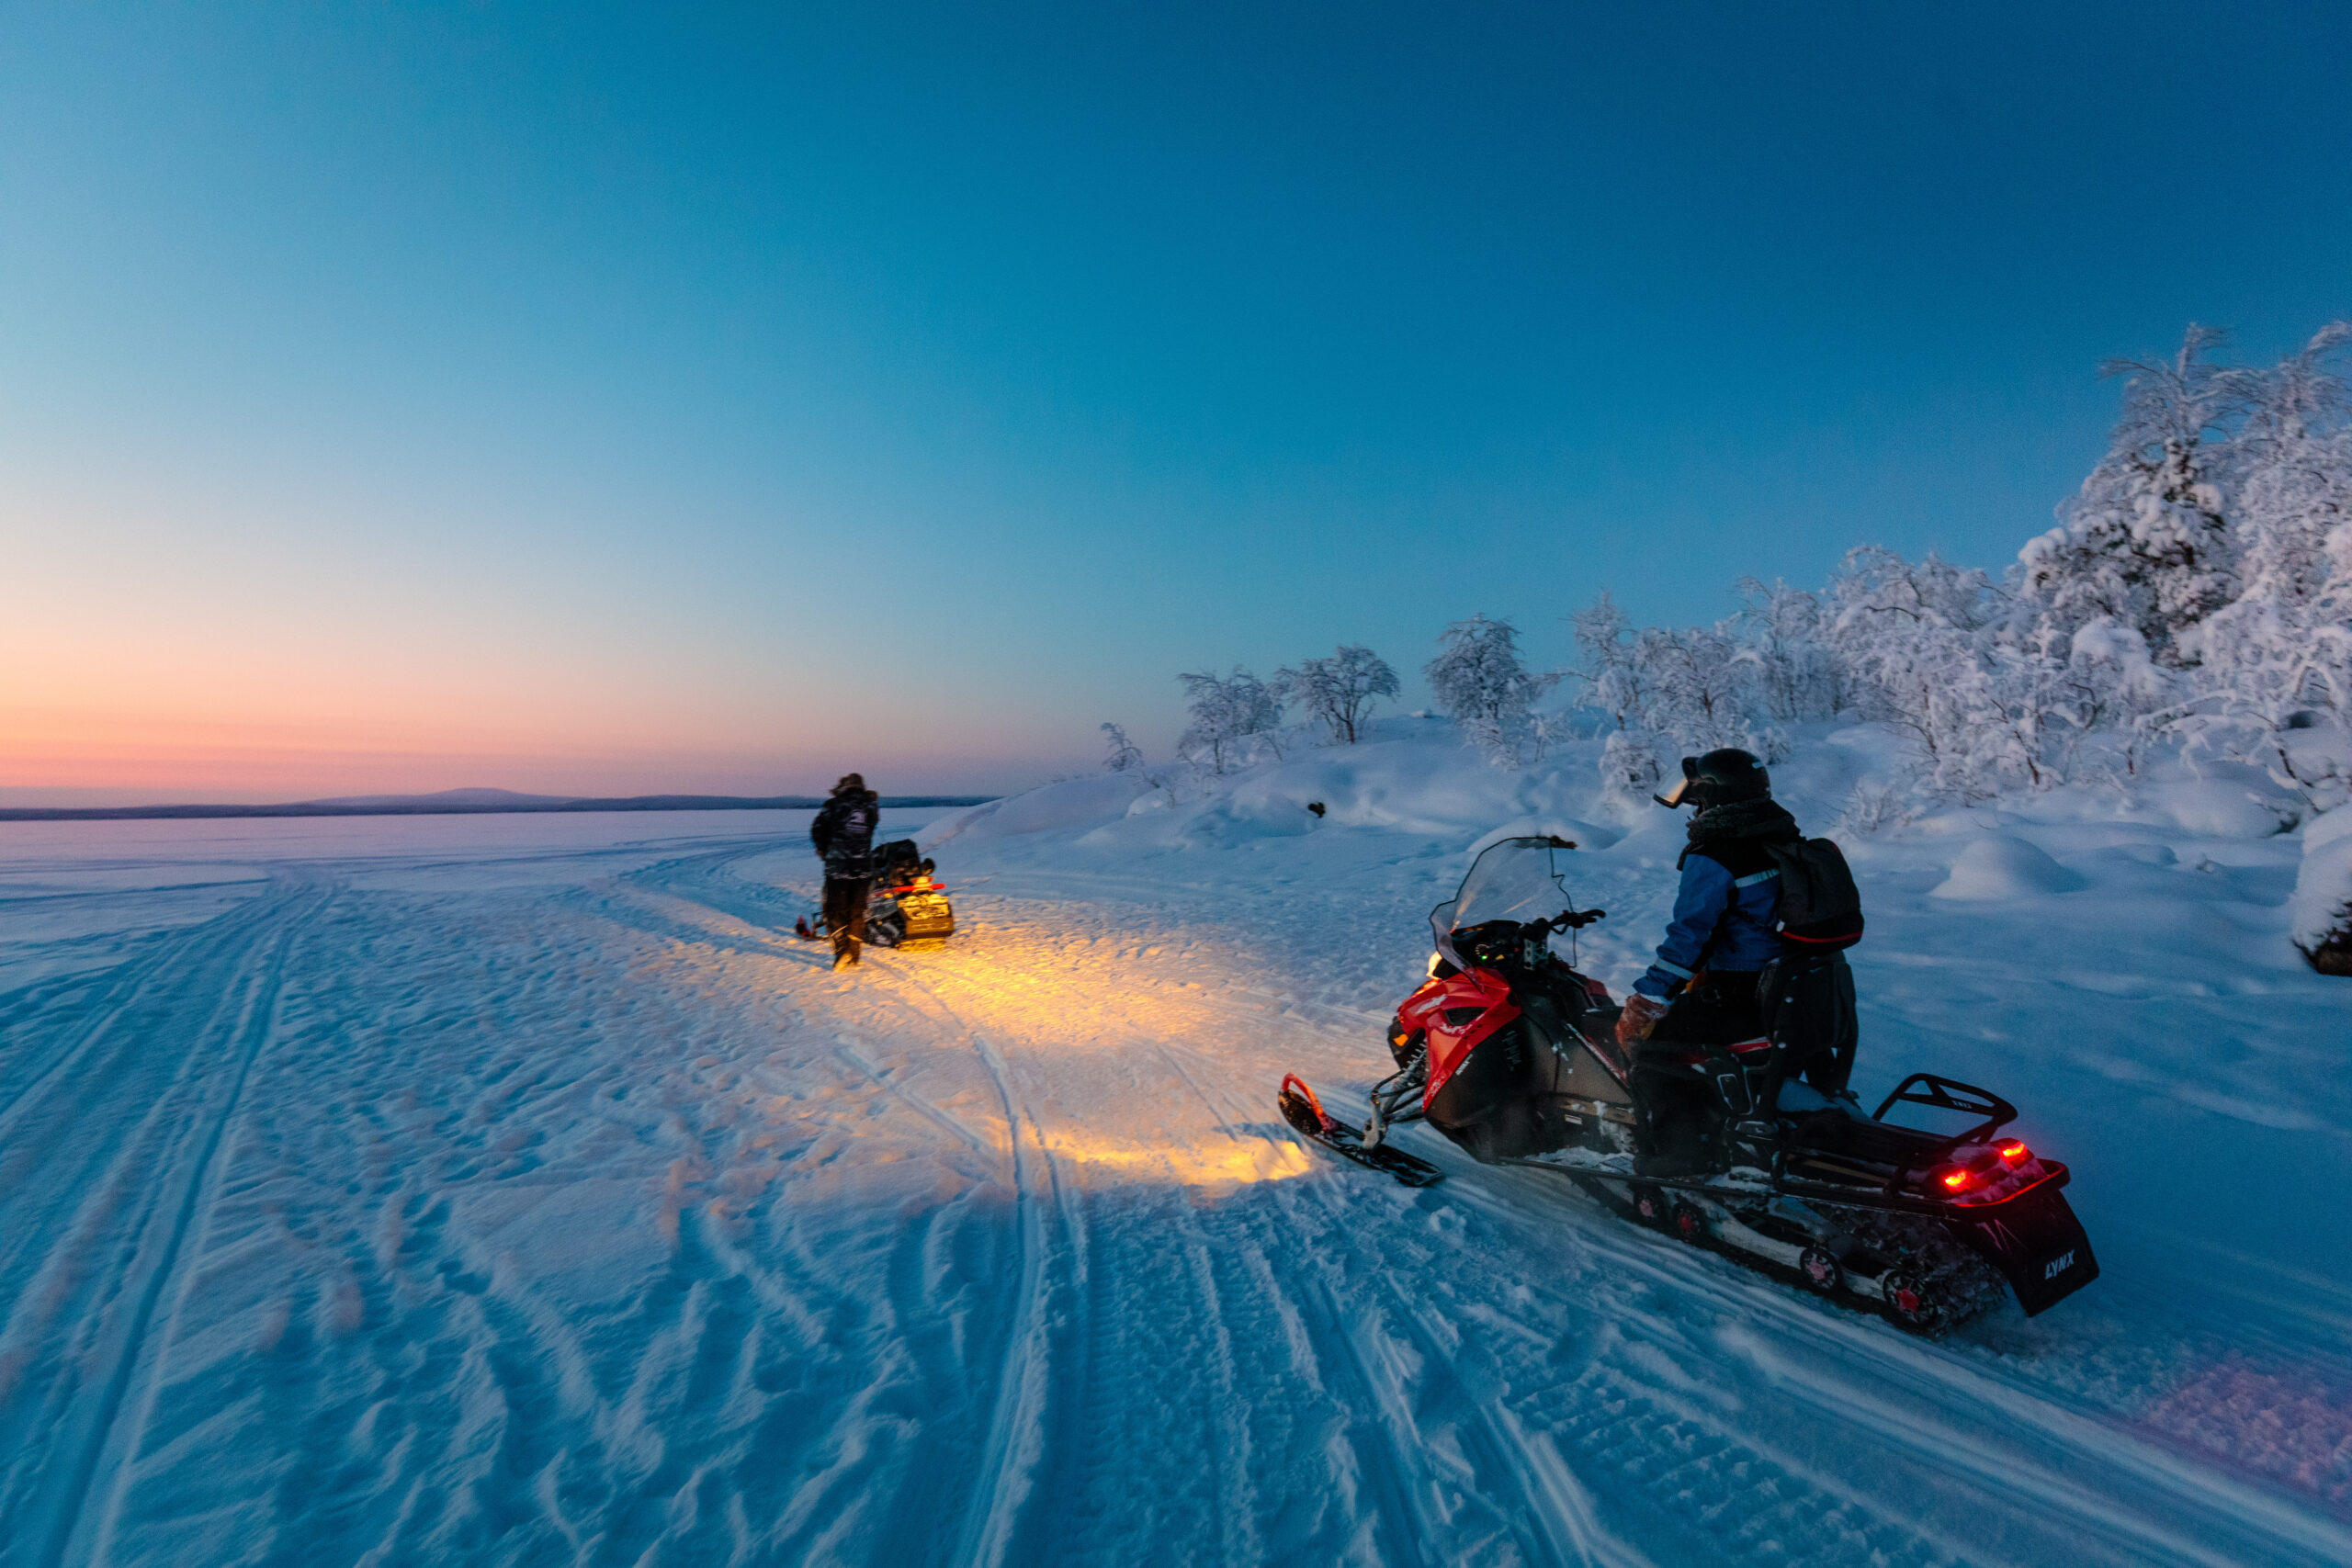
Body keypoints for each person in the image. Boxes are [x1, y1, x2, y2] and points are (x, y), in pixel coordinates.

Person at [1614, 748, 1802, 1176]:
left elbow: (1690, 937)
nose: (1692, 809)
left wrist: (1648, 1000)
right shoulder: (1777, 832)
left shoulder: (1716, 853)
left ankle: (1678, 1158)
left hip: (1741, 989)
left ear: (1715, 798)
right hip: (1787, 984)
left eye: (1696, 799)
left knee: (1652, 1049)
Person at [810, 773, 881, 970]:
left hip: (838, 867)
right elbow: (871, 827)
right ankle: (855, 952)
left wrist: (825, 851)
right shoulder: (871, 806)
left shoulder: (834, 805)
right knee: (857, 910)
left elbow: (817, 830)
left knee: (834, 910)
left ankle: (842, 951)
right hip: (863, 867)